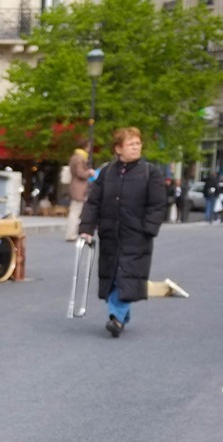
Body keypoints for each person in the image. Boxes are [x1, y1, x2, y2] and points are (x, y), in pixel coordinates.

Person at [79, 127, 167, 339]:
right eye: (131, 144)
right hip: (110, 233)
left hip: (136, 234)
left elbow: (158, 204)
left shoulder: (150, 172)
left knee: (124, 274)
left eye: (138, 143)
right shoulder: (107, 172)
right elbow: (94, 202)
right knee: (112, 274)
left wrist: (149, 228)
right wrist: (86, 228)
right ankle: (120, 316)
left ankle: (116, 317)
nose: (136, 147)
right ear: (119, 148)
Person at [64, 148, 94, 241]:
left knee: (75, 211)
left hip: (75, 186)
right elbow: (81, 173)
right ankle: (71, 234)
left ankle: (71, 233)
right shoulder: (80, 158)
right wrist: (89, 172)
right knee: (76, 211)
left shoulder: (74, 157)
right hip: (79, 187)